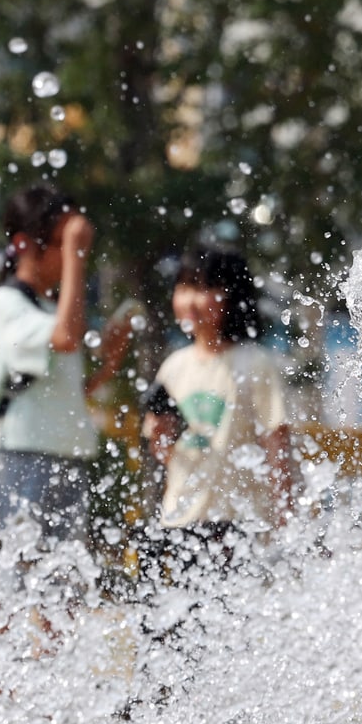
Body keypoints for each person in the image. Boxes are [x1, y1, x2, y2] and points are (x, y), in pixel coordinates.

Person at [0, 183, 127, 542]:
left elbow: (64, 392)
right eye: (61, 241)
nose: (70, 252)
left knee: (65, 571)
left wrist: (108, 367)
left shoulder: (50, 308)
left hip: (65, 453)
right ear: (23, 244)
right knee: (18, 565)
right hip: (23, 455)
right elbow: (65, 338)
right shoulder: (6, 302)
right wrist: (77, 255)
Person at [140, 244, 295, 576]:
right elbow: (162, 451)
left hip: (236, 517)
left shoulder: (254, 363)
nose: (191, 300)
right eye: (184, 287)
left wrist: (284, 513)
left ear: (233, 296)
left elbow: (276, 441)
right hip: (180, 516)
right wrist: (162, 433)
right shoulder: (173, 367)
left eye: (204, 288)